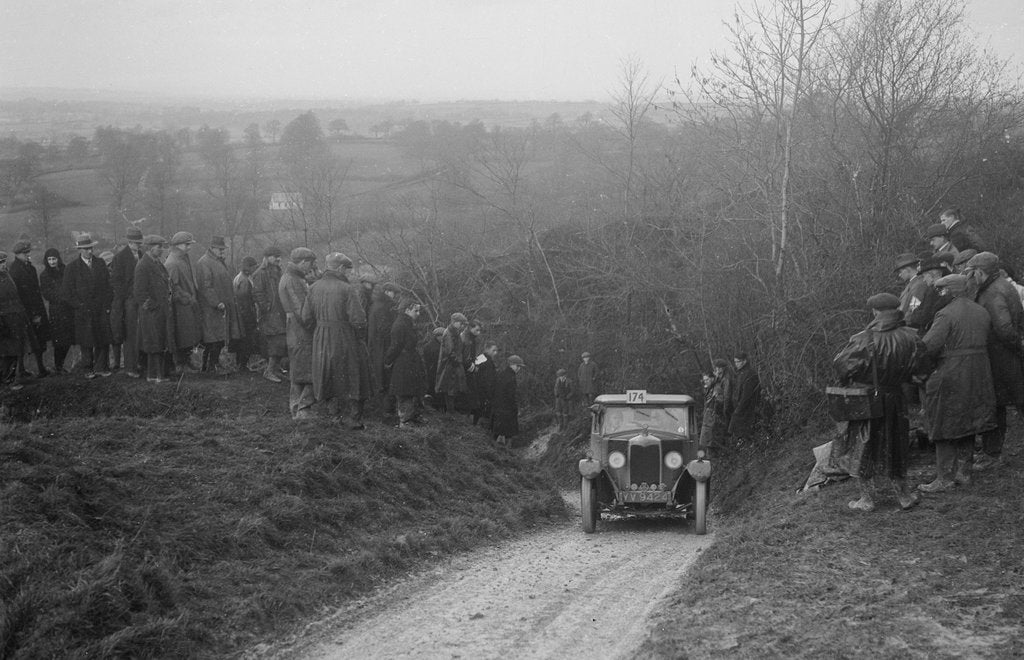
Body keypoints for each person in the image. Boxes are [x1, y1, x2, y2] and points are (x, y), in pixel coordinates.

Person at [832, 293, 925, 511]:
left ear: (875, 312)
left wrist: (854, 379)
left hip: (868, 400)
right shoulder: (911, 336)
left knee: (863, 446)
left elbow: (842, 366)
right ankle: (904, 496)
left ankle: (866, 499)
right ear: (896, 310)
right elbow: (921, 370)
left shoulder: (863, 339)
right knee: (897, 444)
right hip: (896, 398)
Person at [917, 274, 996, 493]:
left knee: (943, 421)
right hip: (979, 370)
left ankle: (945, 478)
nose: (938, 294)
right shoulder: (980, 310)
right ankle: (965, 473)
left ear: (950, 291)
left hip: (952, 371)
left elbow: (929, 346)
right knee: (969, 418)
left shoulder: (945, 314)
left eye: (941, 290)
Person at [965, 252, 1024, 471]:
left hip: (1001, 358)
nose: (971, 277)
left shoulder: (992, 292)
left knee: (995, 405)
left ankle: (993, 454)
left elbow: (1005, 328)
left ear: (981, 271)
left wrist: (1017, 347)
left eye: (972, 272)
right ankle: (992, 451)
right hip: (1006, 356)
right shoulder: (1001, 284)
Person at [301, 252, 371, 429]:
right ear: (340, 268)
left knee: (327, 374)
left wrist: (319, 331)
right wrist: (360, 337)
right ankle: (353, 419)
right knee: (355, 375)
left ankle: (334, 416)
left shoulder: (313, 287)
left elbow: (306, 318)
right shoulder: (347, 289)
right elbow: (359, 320)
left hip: (320, 336)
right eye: (348, 270)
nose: (348, 274)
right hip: (345, 337)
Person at [61, 233, 113, 379]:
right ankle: (87, 369)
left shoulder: (100, 263)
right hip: (83, 311)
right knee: (87, 341)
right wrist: (79, 305)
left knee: (103, 339)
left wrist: (106, 304)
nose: (89, 251)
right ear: (79, 250)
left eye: (90, 248)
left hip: (100, 309)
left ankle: (101, 367)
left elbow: (108, 287)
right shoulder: (72, 268)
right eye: (85, 249)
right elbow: (66, 293)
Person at [279, 247, 317, 419]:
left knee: (298, 372)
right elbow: (303, 312)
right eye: (310, 264)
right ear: (303, 262)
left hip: (295, 333)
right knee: (309, 372)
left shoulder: (290, 277)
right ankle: (303, 410)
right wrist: (315, 326)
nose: (311, 268)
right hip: (302, 334)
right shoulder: (293, 280)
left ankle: (296, 409)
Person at [195, 236, 241, 374]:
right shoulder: (204, 262)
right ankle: (210, 366)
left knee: (219, 337)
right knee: (214, 338)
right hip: (212, 307)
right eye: (220, 249)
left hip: (222, 306)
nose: (222, 251)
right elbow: (205, 286)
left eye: (223, 249)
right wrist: (216, 302)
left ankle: (210, 365)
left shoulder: (217, 261)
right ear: (212, 248)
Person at [133, 235, 172, 383]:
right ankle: (154, 375)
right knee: (154, 344)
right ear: (150, 248)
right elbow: (139, 293)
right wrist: (153, 306)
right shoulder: (143, 266)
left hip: (161, 311)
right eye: (159, 247)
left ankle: (158, 374)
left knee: (160, 342)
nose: (161, 249)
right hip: (152, 313)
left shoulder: (158, 264)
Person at [9, 239, 50, 377]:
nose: (28, 255)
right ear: (17, 254)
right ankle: (21, 371)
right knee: (26, 341)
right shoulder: (15, 271)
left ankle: (40, 368)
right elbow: (22, 295)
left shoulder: (30, 268)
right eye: (24, 253)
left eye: (28, 252)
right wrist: (34, 315)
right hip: (26, 311)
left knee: (39, 340)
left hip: (36, 307)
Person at [385, 298, 428, 429]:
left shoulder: (407, 323)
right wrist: (388, 361)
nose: (418, 314)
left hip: (409, 361)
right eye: (416, 311)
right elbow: (395, 346)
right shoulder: (400, 325)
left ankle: (411, 418)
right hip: (403, 362)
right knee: (404, 392)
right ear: (407, 310)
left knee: (410, 390)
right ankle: (405, 421)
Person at [164, 231, 203, 374]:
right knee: (181, 336)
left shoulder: (183, 259)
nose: (189, 247)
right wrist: (186, 297)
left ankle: (187, 361)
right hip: (180, 306)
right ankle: (180, 364)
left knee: (188, 335)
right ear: (177, 245)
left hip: (188, 304)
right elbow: (172, 287)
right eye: (187, 244)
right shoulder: (172, 262)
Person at [109, 226, 144, 377]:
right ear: (129, 242)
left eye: (139, 242)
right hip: (129, 302)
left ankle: (140, 363)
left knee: (142, 332)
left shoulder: (142, 254)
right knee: (130, 334)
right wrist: (127, 297)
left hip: (142, 300)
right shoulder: (120, 257)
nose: (137, 245)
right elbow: (116, 282)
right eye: (135, 242)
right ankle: (130, 367)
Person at [252, 246, 287, 383]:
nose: (278, 259)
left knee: (281, 340)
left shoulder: (277, 270)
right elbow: (257, 293)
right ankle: (269, 371)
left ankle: (276, 369)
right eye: (274, 256)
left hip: (279, 311)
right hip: (270, 314)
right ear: (266, 258)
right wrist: (266, 307)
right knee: (275, 341)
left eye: (279, 256)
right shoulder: (260, 273)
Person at [0, 252, 34, 388]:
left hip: (15, 318)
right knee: (5, 352)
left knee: (15, 350)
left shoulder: (6, 276)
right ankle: (6, 380)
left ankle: (11, 378)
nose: (3, 265)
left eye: (3, 262)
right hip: (3, 320)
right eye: (0, 263)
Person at [39, 248, 74, 373]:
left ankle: (61, 364)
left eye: (54, 259)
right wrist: (62, 297)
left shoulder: (65, 270)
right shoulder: (44, 275)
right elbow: (47, 293)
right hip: (57, 310)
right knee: (59, 339)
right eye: (49, 259)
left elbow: (71, 285)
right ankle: (58, 365)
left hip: (68, 309)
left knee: (69, 337)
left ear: (58, 259)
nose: (52, 262)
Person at [367, 283, 398, 417]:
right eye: (393, 293)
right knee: (386, 379)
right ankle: (386, 412)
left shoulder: (376, 305)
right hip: (383, 347)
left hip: (376, 347)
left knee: (381, 379)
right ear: (387, 292)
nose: (395, 296)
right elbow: (384, 329)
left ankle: (383, 410)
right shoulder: (383, 307)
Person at [435, 313, 468, 413]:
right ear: (454, 322)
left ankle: (451, 411)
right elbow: (450, 352)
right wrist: (458, 361)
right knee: (449, 388)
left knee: (453, 388)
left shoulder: (455, 333)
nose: (462, 326)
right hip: (449, 365)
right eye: (461, 323)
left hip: (453, 364)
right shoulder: (448, 333)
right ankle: (450, 411)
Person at [726, 351, 760, 443]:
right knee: (736, 431)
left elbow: (746, 395)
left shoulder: (750, 374)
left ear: (744, 361)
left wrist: (739, 408)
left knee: (743, 432)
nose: (736, 364)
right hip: (740, 407)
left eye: (738, 362)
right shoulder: (740, 373)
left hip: (748, 408)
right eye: (735, 362)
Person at [232, 256, 259, 371]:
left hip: (240, 314)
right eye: (253, 267)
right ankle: (242, 365)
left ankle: (240, 364)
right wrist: (252, 316)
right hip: (246, 314)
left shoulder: (239, 277)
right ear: (249, 267)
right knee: (247, 340)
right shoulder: (245, 280)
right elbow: (244, 300)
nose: (255, 269)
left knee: (242, 340)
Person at [491, 354, 524, 446]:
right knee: (507, 430)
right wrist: (515, 408)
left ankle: (500, 447)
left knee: (499, 429)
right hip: (507, 408)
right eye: (518, 366)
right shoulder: (511, 377)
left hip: (498, 406)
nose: (519, 369)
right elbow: (511, 396)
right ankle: (505, 449)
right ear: (512, 365)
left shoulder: (502, 374)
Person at [699, 358, 731, 448]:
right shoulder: (710, 388)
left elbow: (722, 400)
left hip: (713, 419)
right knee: (707, 443)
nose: (705, 382)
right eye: (704, 380)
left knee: (712, 443)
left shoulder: (718, 386)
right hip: (709, 418)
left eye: (707, 379)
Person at [460, 319, 484, 416]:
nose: (478, 333)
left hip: (469, 365)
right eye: (476, 330)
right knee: (468, 389)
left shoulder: (471, 338)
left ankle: (470, 412)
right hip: (465, 367)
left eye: (479, 330)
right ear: (470, 328)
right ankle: (466, 412)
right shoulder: (465, 338)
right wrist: (472, 366)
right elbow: (464, 355)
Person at [473, 340, 499, 425]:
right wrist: (490, 394)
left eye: (496, 351)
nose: (495, 353)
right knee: (480, 409)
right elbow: (488, 379)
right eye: (493, 350)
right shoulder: (486, 361)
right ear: (487, 349)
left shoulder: (481, 358)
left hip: (479, 388)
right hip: (482, 390)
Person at [422, 326, 445, 407]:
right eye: (443, 336)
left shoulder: (429, 345)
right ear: (438, 336)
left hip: (431, 370)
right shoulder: (436, 347)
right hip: (434, 370)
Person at [553, 367, 574, 431]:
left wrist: (568, 397)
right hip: (558, 399)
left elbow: (572, 391)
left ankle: (565, 426)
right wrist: (556, 394)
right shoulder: (557, 380)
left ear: (565, 375)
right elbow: (555, 388)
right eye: (559, 376)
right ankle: (560, 425)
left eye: (562, 376)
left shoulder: (569, 381)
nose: (560, 377)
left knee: (565, 413)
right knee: (558, 413)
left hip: (565, 399)